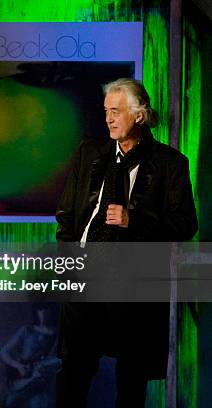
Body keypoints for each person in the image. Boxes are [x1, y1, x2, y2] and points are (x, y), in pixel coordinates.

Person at [55, 78, 198, 407]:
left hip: (134, 283)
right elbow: (66, 215)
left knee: (132, 376)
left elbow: (185, 225)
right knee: (74, 369)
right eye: (106, 111)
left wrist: (135, 220)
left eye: (116, 111)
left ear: (139, 115)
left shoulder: (170, 164)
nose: (108, 118)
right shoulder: (89, 153)